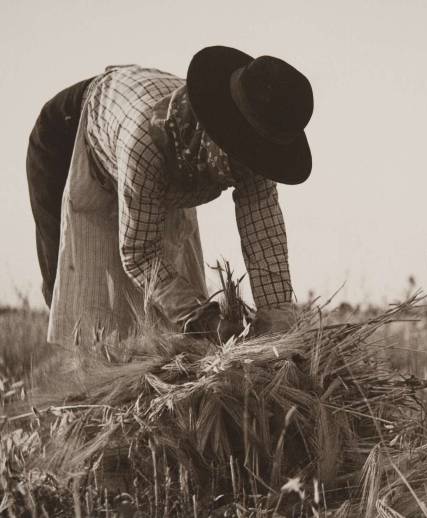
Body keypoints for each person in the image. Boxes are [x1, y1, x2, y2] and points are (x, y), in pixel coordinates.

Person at [26, 46, 314, 345]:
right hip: (67, 133)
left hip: (150, 160)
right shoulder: (148, 141)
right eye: (242, 155)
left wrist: (277, 325)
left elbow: (265, 238)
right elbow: (140, 252)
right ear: (219, 135)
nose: (250, 169)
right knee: (75, 288)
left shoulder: (258, 145)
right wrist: (204, 319)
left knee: (168, 306)